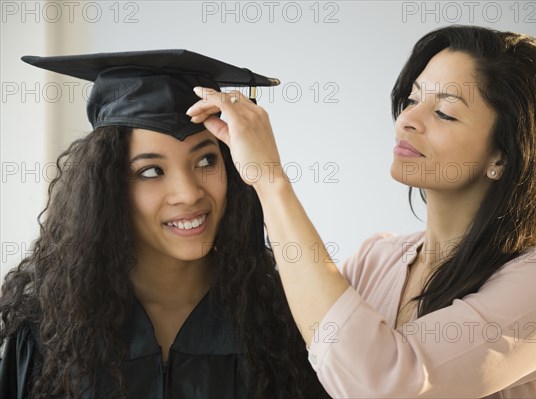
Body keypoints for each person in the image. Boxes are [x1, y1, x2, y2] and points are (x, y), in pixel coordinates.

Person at [186, 25, 536, 398]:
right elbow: (292, 360)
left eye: (444, 112)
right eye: (413, 98)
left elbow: (383, 384)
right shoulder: (374, 260)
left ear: (503, 157)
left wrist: (271, 180)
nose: (407, 120)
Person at [0, 50, 329, 399]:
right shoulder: (48, 334)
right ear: (107, 188)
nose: (188, 193)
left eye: (206, 160)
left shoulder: (278, 325)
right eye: (151, 171)